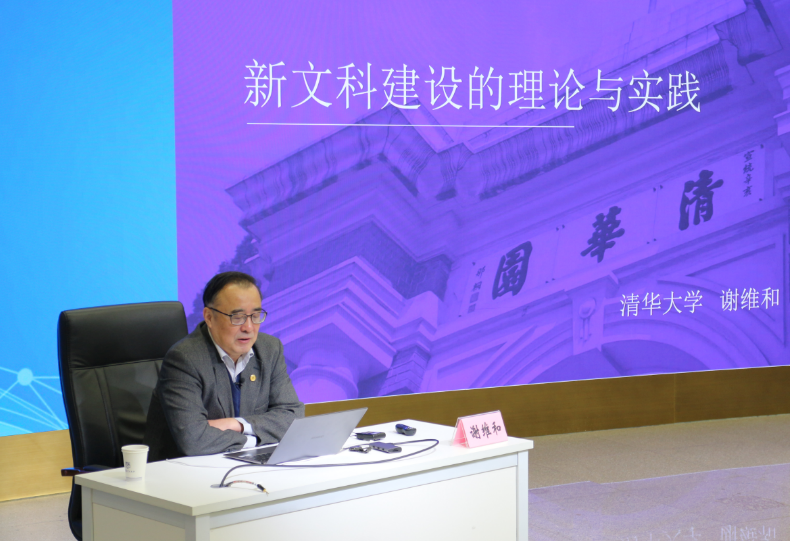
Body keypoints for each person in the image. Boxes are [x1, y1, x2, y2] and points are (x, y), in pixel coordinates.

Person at [144, 271, 304, 461]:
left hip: (244, 465)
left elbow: (293, 417)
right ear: (209, 317)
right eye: (237, 317)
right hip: (182, 470)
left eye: (255, 315)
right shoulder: (184, 359)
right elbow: (193, 440)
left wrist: (237, 425)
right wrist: (253, 439)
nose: (249, 327)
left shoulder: (269, 349)